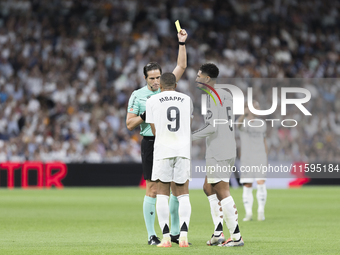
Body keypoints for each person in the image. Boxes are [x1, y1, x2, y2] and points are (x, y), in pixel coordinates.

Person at [126, 29, 188, 245]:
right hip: (151, 143)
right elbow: (130, 123)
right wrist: (145, 115)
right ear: (145, 79)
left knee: (174, 187)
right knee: (153, 189)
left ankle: (173, 232)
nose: (155, 81)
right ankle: (152, 234)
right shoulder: (138, 96)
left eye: (158, 78)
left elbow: (181, 66)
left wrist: (181, 43)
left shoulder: (167, 88)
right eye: (151, 78)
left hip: (170, 142)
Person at [192, 63, 244, 247]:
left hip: (218, 151)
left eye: (199, 76)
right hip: (228, 147)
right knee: (208, 187)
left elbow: (212, 127)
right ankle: (218, 232)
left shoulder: (212, 97)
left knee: (222, 191)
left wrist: (190, 136)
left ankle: (236, 237)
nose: (196, 79)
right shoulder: (226, 94)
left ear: (207, 79)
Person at [146, 73, 193, 248]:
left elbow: (154, 130)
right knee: (183, 193)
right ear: (176, 84)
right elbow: (187, 125)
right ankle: (184, 237)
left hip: (163, 150)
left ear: (160, 85)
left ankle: (165, 238)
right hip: (182, 150)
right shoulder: (187, 99)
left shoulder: (152, 100)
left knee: (162, 194)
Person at [237, 102, 268, 221]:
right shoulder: (243, 122)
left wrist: (266, 157)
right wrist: (243, 115)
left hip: (260, 156)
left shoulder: (262, 124)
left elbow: (264, 140)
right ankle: (248, 213)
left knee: (261, 183)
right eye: (255, 107)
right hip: (247, 158)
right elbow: (238, 125)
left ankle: (261, 210)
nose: (258, 109)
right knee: (247, 184)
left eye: (258, 107)